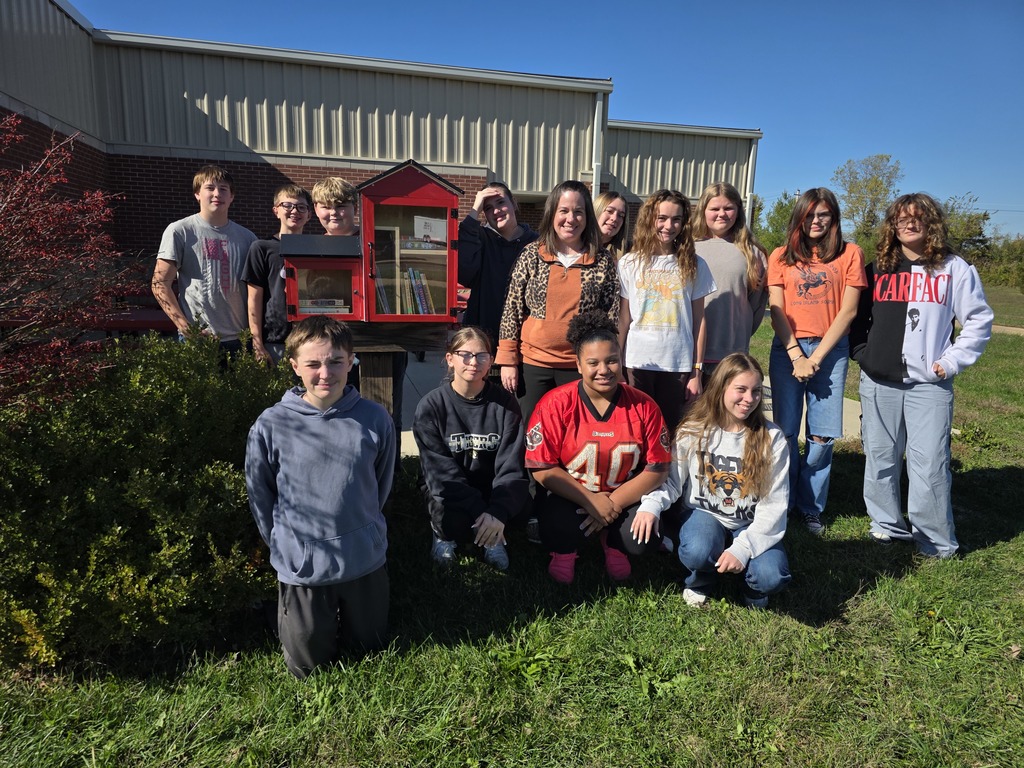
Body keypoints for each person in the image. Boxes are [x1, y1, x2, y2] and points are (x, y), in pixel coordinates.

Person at [246, 316, 396, 678]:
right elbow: (261, 495)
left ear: (351, 361)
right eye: (313, 364)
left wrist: (365, 531)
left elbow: (381, 483)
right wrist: (286, 546)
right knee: (307, 667)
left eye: (335, 361)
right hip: (304, 567)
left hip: (362, 557)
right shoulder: (271, 424)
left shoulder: (375, 419)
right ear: (295, 366)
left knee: (371, 651)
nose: (325, 373)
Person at [850, 193, 992, 558]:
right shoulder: (878, 268)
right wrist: (863, 354)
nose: (910, 224)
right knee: (880, 457)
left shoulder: (953, 268)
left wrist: (952, 361)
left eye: (918, 217)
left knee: (929, 463)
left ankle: (935, 542)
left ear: (932, 223)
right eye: (902, 219)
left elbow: (978, 319)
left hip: (929, 384)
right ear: (892, 226)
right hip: (878, 381)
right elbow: (857, 318)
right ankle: (886, 525)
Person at [526, 311, 670, 584]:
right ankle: (565, 550)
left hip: (623, 496)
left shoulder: (644, 406)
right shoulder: (555, 403)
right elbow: (542, 468)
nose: (604, 370)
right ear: (579, 365)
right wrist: (591, 501)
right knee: (555, 525)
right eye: (593, 362)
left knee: (643, 537)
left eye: (612, 360)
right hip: (573, 495)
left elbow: (658, 469)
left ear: (621, 360)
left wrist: (611, 504)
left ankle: (614, 545)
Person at [637, 353, 791, 608]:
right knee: (698, 549)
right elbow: (673, 481)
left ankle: (753, 589)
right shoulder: (694, 429)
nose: (749, 399)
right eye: (741, 389)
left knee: (771, 576)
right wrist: (652, 504)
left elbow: (774, 505)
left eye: (756, 391)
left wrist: (743, 548)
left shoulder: (772, 438)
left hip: (750, 522)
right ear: (721, 388)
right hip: (705, 515)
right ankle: (700, 580)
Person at [767, 187, 866, 535]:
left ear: (834, 218)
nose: (816, 220)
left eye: (824, 214)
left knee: (822, 435)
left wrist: (816, 357)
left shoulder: (850, 254)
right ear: (799, 217)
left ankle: (810, 507)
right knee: (785, 432)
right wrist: (797, 354)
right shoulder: (780, 256)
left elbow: (849, 311)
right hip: (788, 349)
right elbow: (776, 310)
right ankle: (783, 501)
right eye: (809, 214)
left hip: (831, 351)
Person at [496, 180, 620, 422]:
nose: (570, 219)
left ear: (587, 217)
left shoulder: (602, 260)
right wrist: (508, 360)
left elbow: (610, 317)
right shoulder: (532, 254)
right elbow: (512, 308)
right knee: (531, 429)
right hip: (533, 363)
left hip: (578, 366)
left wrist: (603, 363)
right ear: (552, 213)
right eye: (563, 211)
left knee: (572, 428)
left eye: (578, 212)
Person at [413, 327, 530, 571]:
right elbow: (439, 472)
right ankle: (444, 535)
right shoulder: (431, 406)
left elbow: (511, 465)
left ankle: (491, 536)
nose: (473, 362)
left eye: (481, 355)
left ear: (491, 360)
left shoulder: (506, 404)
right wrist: (480, 512)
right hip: (449, 487)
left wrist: (497, 512)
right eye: (465, 355)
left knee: (519, 510)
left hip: (489, 484)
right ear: (450, 359)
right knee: (454, 522)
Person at [312, 176, 407, 472]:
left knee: (384, 412)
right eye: (325, 206)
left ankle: (385, 476)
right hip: (332, 346)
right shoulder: (311, 247)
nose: (334, 212)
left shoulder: (379, 242)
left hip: (383, 340)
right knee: (336, 411)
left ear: (355, 208)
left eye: (341, 205)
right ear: (315, 209)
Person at [617, 188, 716, 432]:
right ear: (649, 219)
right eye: (661, 218)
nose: (668, 226)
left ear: (684, 223)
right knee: (636, 431)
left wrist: (696, 371)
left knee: (669, 432)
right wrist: (618, 364)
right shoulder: (629, 262)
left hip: (677, 364)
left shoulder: (695, 264)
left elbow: (699, 321)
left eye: (676, 219)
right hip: (637, 362)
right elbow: (624, 318)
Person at [151, 165, 257, 353]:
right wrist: (185, 326)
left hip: (241, 339)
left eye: (223, 189)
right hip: (199, 338)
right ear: (197, 194)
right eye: (210, 188)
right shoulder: (180, 231)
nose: (217, 194)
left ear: (231, 196)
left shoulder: (248, 238)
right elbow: (160, 284)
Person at [692, 182, 768, 383]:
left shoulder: (752, 252)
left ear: (738, 211)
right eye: (714, 209)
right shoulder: (688, 248)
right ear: (703, 210)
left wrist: (739, 332)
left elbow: (757, 304)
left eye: (728, 208)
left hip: (731, 353)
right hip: (690, 352)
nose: (721, 214)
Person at [457, 182, 539, 346]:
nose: (496, 211)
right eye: (488, 208)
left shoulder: (536, 244)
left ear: (513, 203)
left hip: (524, 339)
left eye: (500, 202)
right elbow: (464, 274)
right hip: (483, 338)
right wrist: (474, 209)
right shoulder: (479, 239)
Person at [242, 183, 313, 364]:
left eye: (301, 207)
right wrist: (257, 344)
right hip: (274, 341)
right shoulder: (261, 248)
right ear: (276, 211)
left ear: (309, 215)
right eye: (287, 205)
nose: (294, 211)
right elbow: (253, 300)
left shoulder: (315, 250)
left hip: (310, 338)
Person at [595, 191, 629, 259]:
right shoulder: (577, 246)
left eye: (621, 215)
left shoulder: (630, 253)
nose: (614, 218)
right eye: (609, 211)